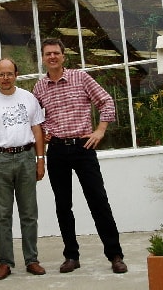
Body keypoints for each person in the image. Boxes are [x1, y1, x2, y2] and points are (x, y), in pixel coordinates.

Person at [33, 38, 128, 275]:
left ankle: (115, 255)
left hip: (83, 147)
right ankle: (71, 256)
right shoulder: (39, 87)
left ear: (63, 56)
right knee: (63, 205)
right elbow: (34, 117)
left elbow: (106, 101)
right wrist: (43, 132)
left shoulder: (80, 77)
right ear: (43, 58)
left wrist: (101, 130)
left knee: (98, 200)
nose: (52, 57)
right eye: (48, 54)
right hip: (56, 151)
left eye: (56, 53)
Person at [0, 58, 46, 280]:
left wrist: (40, 159)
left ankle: (32, 260)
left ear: (16, 74)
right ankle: (5, 262)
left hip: (26, 158)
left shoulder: (28, 98)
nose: (5, 78)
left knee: (29, 213)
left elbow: (37, 130)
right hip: (0, 161)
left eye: (9, 73)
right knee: (2, 215)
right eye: (0, 74)